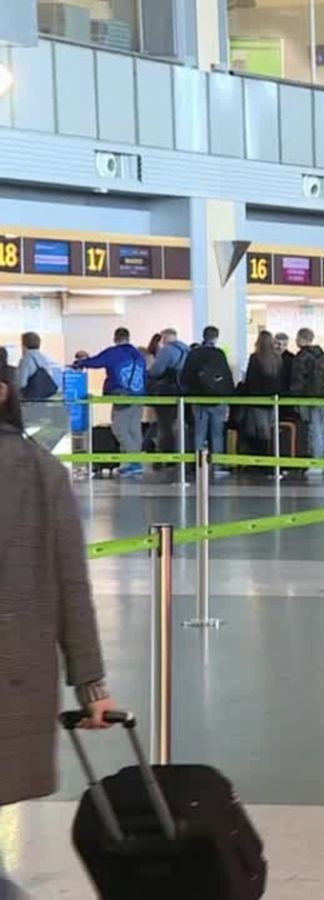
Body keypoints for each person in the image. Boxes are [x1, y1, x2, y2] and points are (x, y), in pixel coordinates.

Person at [0, 355, 118, 897]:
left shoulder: (40, 473)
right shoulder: (42, 471)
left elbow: (71, 586)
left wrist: (92, 684)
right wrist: (90, 685)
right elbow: (72, 586)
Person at [75, 327, 147, 476]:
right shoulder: (138, 355)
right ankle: (135, 463)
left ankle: (135, 463)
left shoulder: (114, 353)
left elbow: (96, 361)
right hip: (139, 396)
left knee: (119, 428)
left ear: (115, 338)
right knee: (134, 430)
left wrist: (81, 363)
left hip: (122, 396)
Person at [178, 325, 235, 468]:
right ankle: (218, 465)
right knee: (217, 434)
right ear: (216, 337)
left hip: (198, 399)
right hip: (217, 400)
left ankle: (199, 464)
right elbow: (226, 377)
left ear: (203, 336)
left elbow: (185, 376)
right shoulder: (219, 354)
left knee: (199, 433)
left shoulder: (194, 354)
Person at [288, 329, 324, 464]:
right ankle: (319, 457)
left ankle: (315, 461)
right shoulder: (322, 355)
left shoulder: (302, 356)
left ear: (300, 338)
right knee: (319, 428)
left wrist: (294, 398)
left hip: (307, 397)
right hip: (322, 397)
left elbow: (297, 379)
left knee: (312, 428)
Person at [238, 331, 285, 460]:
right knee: (269, 430)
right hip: (273, 400)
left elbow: (250, 381)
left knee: (259, 430)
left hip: (257, 400)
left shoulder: (255, 358)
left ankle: (261, 459)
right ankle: (271, 459)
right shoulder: (278, 359)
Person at [146, 328, 189, 459]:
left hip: (167, 392)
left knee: (165, 425)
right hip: (183, 392)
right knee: (180, 424)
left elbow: (156, 371)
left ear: (165, 338)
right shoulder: (187, 349)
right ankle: (182, 453)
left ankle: (167, 455)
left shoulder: (167, 350)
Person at [16, 332, 61, 400]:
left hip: (30, 399)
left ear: (24, 344)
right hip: (44, 397)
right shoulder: (43, 358)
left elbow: (22, 383)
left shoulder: (26, 360)